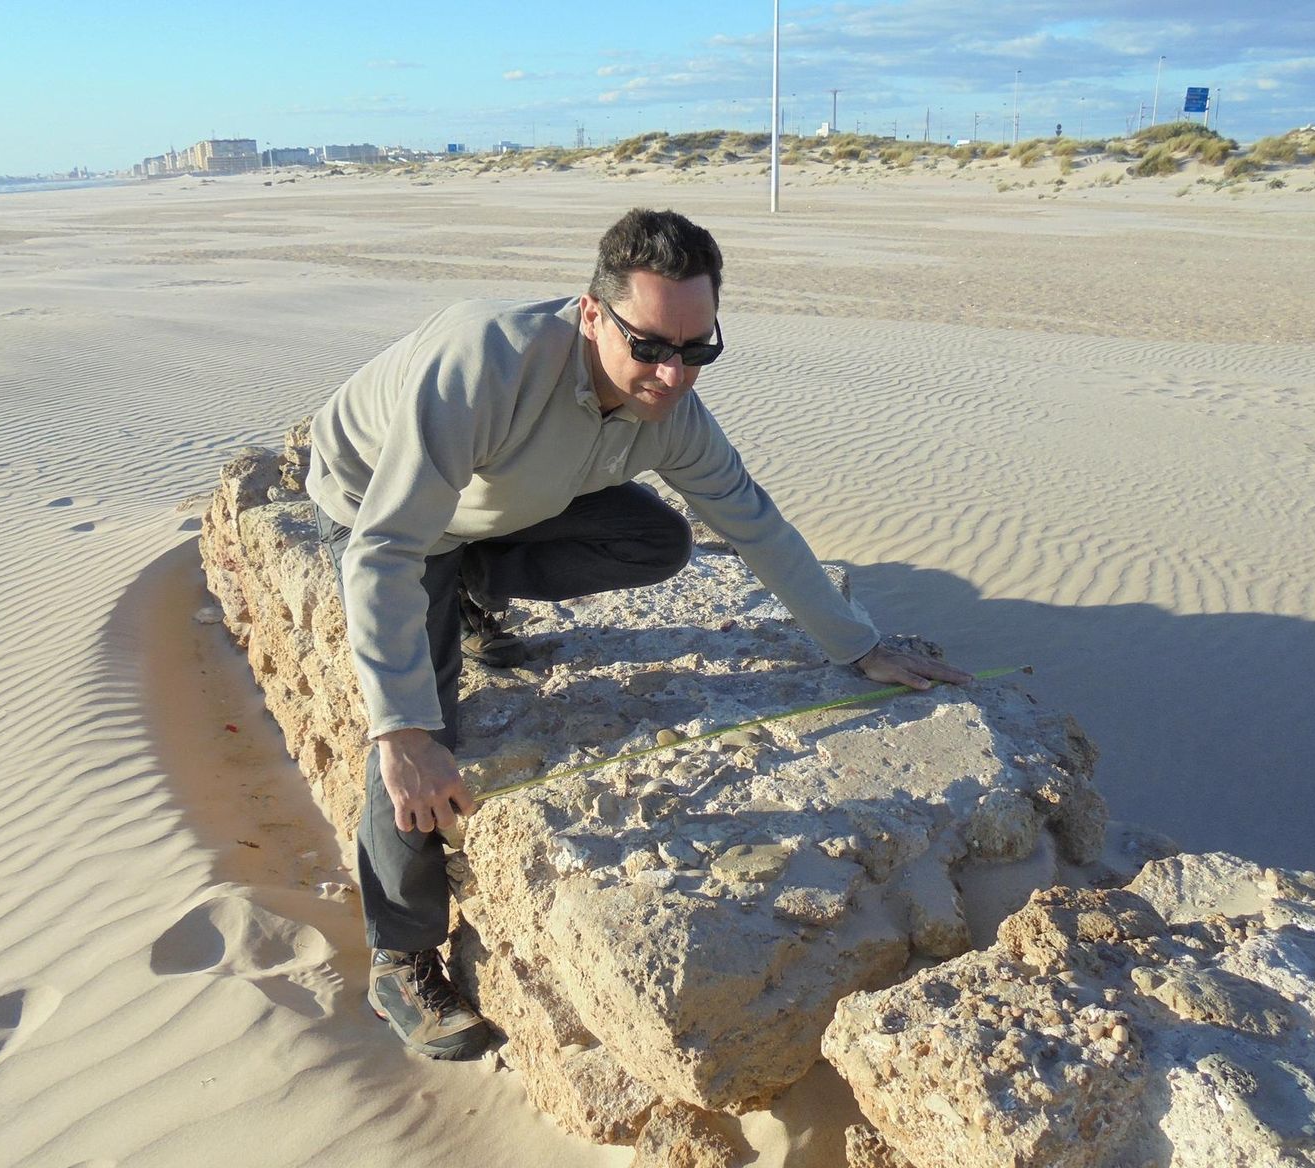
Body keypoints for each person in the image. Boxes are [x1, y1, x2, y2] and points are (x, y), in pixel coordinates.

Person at [305, 208, 972, 1060]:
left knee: (657, 538)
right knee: (422, 731)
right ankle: (400, 956)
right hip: (378, 508)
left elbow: (754, 522)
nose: (673, 375)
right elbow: (387, 548)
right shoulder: (484, 366)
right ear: (591, 312)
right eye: (651, 345)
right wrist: (399, 728)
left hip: (500, 500)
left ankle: (471, 585)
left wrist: (858, 645)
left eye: (699, 350)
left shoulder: (671, 409)